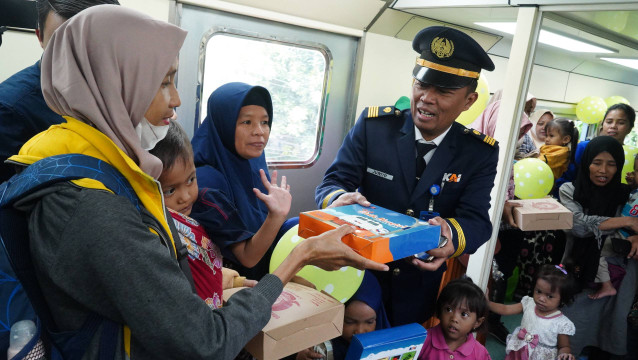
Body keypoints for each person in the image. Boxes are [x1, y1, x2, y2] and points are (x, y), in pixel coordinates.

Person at [8, 6, 387, 358]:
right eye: (163, 82)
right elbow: (205, 343)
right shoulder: (93, 206)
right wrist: (300, 258)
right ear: (115, 83)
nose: (176, 101)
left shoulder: (79, 159)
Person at [315, 26, 499, 326]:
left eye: (443, 91)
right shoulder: (374, 127)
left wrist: (450, 237)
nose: (426, 98)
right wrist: (338, 198)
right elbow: (332, 182)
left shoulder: (478, 153)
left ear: (468, 101)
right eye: (421, 85)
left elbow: (477, 221)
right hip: (356, 274)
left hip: (416, 286)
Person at [0, 0, 120, 183]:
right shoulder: (9, 108)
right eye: (63, 42)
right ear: (40, 37)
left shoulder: (123, 94)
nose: (78, 54)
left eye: (91, 42)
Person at [191, 82, 295, 280]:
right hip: (234, 285)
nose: (259, 131)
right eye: (247, 122)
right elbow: (248, 258)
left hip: (262, 272)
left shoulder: (252, 163)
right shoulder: (205, 182)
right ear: (224, 125)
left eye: (264, 122)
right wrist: (277, 215)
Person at [150, 121, 259, 309]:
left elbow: (200, 271)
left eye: (191, 179)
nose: (185, 197)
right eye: (169, 191)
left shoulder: (205, 202)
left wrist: (230, 280)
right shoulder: (155, 231)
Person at [558, 136, 638, 357]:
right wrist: (628, 222)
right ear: (586, 163)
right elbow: (580, 226)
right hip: (579, 271)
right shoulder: (570, 190)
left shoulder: (627, 194)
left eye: (612, 164)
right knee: (572, 330)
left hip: (620, 273)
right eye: (597, 162)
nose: (603, 170)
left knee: (609, 330)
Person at [296, 271, 391, 360]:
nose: (360, 331)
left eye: (369, 322)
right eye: (349, 322)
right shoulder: (316, 347)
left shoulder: (390, 348)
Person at [489, 264, 577, 360]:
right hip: (519, 353)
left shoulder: (562, 323)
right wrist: (487, 303)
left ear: (562, 299)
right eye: (538, 291)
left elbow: (564, 347)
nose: (541, 298)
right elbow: (505, 309)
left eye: (549, 296)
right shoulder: (528, 303)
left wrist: (564, 354)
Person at [557, 103, 636, 187]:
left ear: (630, 128)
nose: (613, 126)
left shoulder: (626, 154)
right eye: (609, 122)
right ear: (602, 124)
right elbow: (563, 180)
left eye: (621, 123)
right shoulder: (583, 147)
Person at [418, 277, 490, 360]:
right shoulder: (423, 340)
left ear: (477, 322)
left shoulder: (480, 353)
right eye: (449, 309)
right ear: (440, 310)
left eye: (464, 314)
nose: (454, 318)